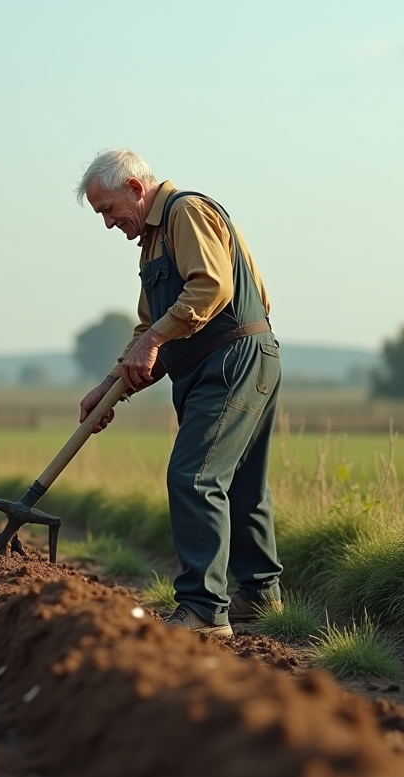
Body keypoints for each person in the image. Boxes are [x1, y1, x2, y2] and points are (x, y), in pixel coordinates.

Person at [76, 148, 283, 637]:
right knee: (242, 485)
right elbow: (149, 325)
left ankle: (204, 610)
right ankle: (258, 597)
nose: (108, 224)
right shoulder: (152, 244)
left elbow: (211, 288)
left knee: (193, 477)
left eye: (107, 209)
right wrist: (109, 386)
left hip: (232, 358)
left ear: (133, 188)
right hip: (211, 366)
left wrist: (152, 342)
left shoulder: (186, 212)